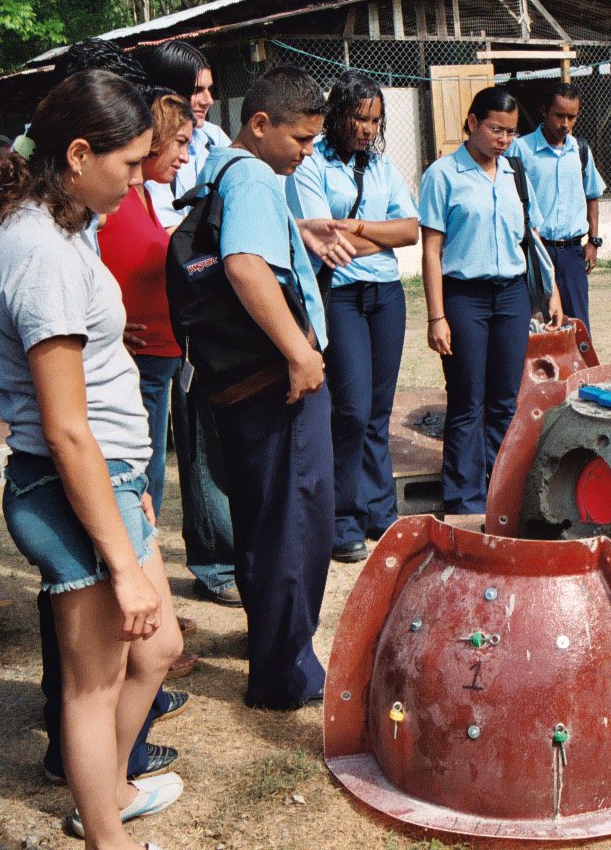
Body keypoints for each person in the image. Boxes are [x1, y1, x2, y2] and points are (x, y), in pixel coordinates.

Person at [0, 70, 185, 846]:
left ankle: (108, 789)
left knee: (158, 646)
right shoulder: (41, 253)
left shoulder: (59, 230)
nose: (138, 181)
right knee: (93, 681)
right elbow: (66, 431)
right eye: (130, 163)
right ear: (76, 154)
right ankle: (105, 829)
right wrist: (122, 562)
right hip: (72, 484)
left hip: (109, 478)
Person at [200, 66, 351, 710]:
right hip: (277, 386)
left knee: (266, 522)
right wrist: (299, 353)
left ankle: (275, 649)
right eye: (302, 140)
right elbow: (243, 263)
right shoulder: (257, 177)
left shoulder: (222, 171)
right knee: (295, 525)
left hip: (242, 387)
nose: (307, 153)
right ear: (260, 126)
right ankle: (286, 674)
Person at [287, 71, 419, 563]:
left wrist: (361, 228)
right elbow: (326, 243)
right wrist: (377, 236)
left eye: (375, 120)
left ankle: (379, 511)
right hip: (339, 297)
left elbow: (411, 231)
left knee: (379, 411)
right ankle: (342, 516)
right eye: (359, 118)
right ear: (338, 113)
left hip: (385, 295)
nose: (367, 128)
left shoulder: (381, 167)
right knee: (351, 409)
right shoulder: (310, 165)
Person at [98, 90, 205, 683]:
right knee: (138, 493)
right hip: (140, 362)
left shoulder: (140, 195)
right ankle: (145, 626)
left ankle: (155, 611)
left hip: (161, 356)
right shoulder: (118, 198)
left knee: (149, 491)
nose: (186, 157)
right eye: (181, 143)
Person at [421, 86, 566, 515]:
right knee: (467, 400)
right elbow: (431, 249)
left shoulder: (514, 173)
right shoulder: (443, 175)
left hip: (512, 296)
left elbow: (531, 237)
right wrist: (436, 316)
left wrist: (551, 290)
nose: (503, 139)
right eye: (495, 129)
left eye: (511, 132)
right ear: (471, 123)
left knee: (505, 401)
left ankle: (501, 492)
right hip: (464, 297)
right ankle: (464, 501)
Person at [138, 41, 242, 608]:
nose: (203, 101)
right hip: (156, 319)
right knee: (166, 451)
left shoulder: (216, 144)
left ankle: (220, 554)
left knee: (207, 432)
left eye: (207, 89)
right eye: (192, 90)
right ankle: (190, 568)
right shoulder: (141, 156)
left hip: (206, 309)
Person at [511, 82, 606, 329]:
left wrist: (593, 241)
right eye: (559, 116)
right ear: (544, 112)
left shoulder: (580, 150)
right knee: (534, 326)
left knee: (576, 328)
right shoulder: (520, 150)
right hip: (533, 252)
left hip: (571, 255)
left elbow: (592, 195)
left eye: (571, 117)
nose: (565, 124)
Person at [136, 40, 231, 228]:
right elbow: (169, 232)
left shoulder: (213, 137)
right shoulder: (150, 149)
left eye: (209, 89)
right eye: (197, 91)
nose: (208, 101)